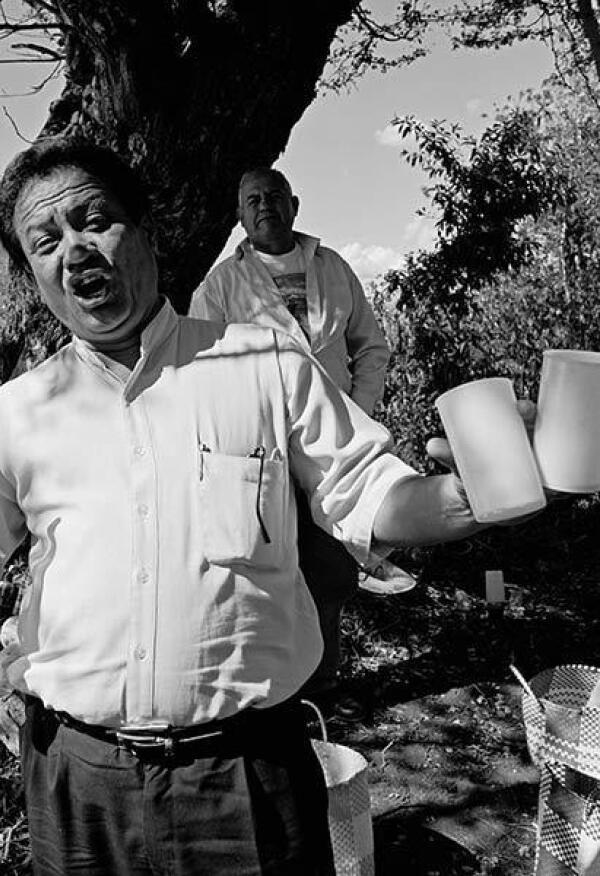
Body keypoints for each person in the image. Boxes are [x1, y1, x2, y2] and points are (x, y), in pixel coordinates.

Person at [0, 138, 525, 876]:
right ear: (31, 276)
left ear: (148, 231)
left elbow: (368, 491)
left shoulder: (262, 364)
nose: (75, 250)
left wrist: (464, 498)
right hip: (77, 783)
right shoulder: (18, 413)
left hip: (248, 775)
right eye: (46, 241)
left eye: (94, 220)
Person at [190, 167, 410, 720]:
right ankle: (273, 696)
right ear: (239, 216)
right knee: (264, 567)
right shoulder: (220, 286)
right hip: (260, 455)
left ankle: (324, 687)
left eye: (272, 196)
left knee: (330, 569)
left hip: (331, 448)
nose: (263, 206)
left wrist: (353, 413)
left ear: (293, 203)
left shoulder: (331, 267)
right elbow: (200, 375)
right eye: (251, 200)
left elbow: (371, 347)